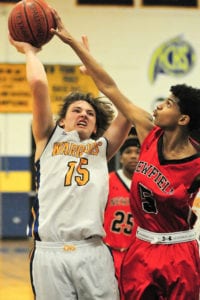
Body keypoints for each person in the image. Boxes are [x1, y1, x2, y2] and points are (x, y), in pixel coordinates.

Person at [50, 10, 200, 300]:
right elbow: (109, 86)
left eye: (168, 104)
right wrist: (72, 44)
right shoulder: (148, 130)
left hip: (180, 250)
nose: (158, 107)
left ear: (183, 119)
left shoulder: (196, 161)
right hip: (142, 247)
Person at [9, 32, 131, 300]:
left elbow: (127, 113)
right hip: (50, 253)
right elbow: (39, 85)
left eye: (90, 113)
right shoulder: (47, 138)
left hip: (93, 251)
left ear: (97, 126)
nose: (84, 114)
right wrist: (30, 52)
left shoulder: (100, 149)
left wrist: (94, 70)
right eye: (76, 110)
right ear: (62, 121)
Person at [103, 127, 140, 287]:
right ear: (121, 157)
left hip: (137, 254)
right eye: (128, 152)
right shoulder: (107, 180)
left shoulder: (148, 185)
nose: (133, 156)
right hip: (108, 251)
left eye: (137, 152)